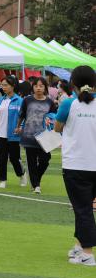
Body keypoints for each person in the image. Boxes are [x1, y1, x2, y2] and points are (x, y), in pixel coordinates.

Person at [56, 65, 96, 267]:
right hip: (91, 164)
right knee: (84, 209)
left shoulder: (68, 104)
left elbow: (57, 127)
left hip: (76, 165)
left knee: (83, 209)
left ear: (73, 84)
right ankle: (80, 246)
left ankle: (88, 254)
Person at [17, 76, 57, 195]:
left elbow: (54, 117)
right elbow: (22, 115)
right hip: (29, 136)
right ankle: (36, 186)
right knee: (31, 162)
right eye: (36, 86)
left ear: (45, 87)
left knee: (45, 160)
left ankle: (36, 179)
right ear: (32, 87)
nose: (38, 88)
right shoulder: (27, 100)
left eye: (41, 86)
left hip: (44, 137)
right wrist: (18, 126)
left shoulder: (50, 102)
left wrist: (51, 121)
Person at [0, 76, 27, 189]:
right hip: (0, 133)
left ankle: (22, 174)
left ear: (13, 86)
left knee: (14, 158)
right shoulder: (0, 100)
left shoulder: (19, 100)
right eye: (2, 85)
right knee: (1, 158)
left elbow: (23, 117)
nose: (3, 87)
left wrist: (20, 127)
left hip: (13, 134)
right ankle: (2, 180)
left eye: (6, 85)